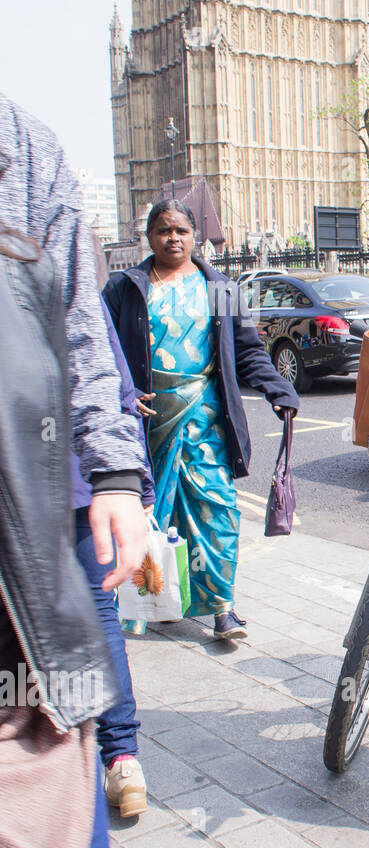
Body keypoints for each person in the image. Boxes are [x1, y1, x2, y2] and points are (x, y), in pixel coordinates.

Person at [0, 92, 149, 848]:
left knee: (74, 682)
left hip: (44, 520)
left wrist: (119, 473)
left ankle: (121, 753)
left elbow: (86, 339)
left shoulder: (21, 146)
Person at [102, 200, 300, 641]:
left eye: (181, 230)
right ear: (149, 237)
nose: (173, 238)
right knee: (157, 515)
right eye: (163, 230)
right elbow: (102, 350)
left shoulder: (221, 289)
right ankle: (155, 601)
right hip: (149, 423)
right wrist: (125, 392)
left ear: (197, 236)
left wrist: (277, 388)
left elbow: (247, 352)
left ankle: (223, 610)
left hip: (206, 417)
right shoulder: (125, 288)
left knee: (218, 513)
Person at [71, 299, 156, 818]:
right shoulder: (48, 231)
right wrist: (129, 479)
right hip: (83, 473)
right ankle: (122, 759)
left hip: (71, 477)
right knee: (99, 615)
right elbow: (107, 373)